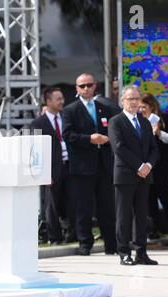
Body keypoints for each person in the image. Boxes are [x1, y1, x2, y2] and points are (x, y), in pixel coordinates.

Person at [62, 73, 118, 255]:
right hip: (82, 166)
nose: (86, 89)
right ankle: (85, 244)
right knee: (83, 208)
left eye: (89, 85)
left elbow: (112, 129)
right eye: (82, 86)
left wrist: (108, 139)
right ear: (76, 89)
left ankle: (111, 244)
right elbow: (68, 135)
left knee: (107, 207)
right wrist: (89, 139)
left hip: (103, 164)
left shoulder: (104, 107)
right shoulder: (70, 110)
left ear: (95, 86)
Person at [109, 85, 158, 265]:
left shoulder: (144, 121)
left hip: (144, 176)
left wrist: (148, 165)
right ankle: (124, 253)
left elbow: (154, 148)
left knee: (142, 215)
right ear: (122, 100)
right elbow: (119, 148)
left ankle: (141, 253)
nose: (134, 102)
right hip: (125, 175)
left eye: (137, 99)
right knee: (124, 216)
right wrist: (138, 165)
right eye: (130, 99)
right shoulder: (116, 121)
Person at [31, 87, 75, 244]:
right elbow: (34, 150)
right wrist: (42, 172)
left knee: (71, 201)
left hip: (69, 166)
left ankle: (71, 234)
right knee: (52, 205)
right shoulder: (38, 123)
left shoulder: (67, 117)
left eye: (62, 98)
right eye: (58, 99)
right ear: (48, 101)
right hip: (51, 169)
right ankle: (54, 236)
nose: (62, 101)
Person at [139, 93, 168, 240]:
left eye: (144, 106)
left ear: (151, 106)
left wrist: (159, 133)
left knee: (165, 196)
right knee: (150, 198)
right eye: (140, 106)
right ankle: (153, 229)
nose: (141, 109)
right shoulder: (139, 120)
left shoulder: (163, 118)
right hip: (146, 167)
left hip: (162, 166)